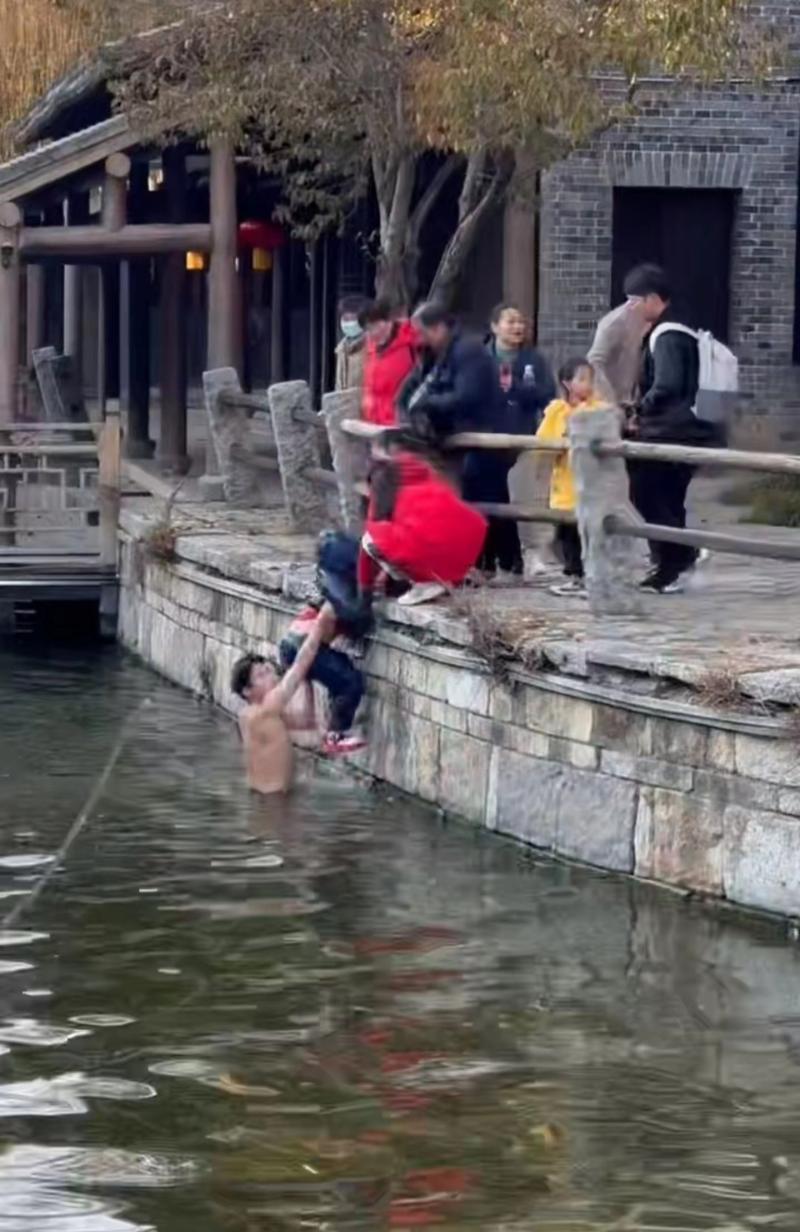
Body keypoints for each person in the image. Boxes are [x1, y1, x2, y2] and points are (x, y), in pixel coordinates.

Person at [623, 263, 719, 594]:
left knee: (651, 495)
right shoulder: (680, 327)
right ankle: (677, 561)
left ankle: (675, 562)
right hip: (683, 430)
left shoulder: (667, 334)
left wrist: (637, 409)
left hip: (670, 432)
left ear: (652, 299)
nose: (631, 307)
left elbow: (668, 384)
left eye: (634, 300)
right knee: (666, 499)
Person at [357, 430, 488, 607]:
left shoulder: (383, 478)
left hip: (428, 550)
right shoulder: (428, 472)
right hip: (466, 545)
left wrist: (364, 589)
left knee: (369, 538)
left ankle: (425, 582)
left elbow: (375, 532)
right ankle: (451, 576)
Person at [231, 605, 337, 796]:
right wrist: (319, 626)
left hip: (263, 797)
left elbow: (306, 723)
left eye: (269, 670)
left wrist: (308, 683)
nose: (271, 676)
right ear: (247, 690)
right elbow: (300, 664)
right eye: (262, 675)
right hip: (276, 804)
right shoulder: (268, 706)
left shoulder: (248, 716)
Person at [484, 303, 556, 579]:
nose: (517, 327)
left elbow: (547, 394)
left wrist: (518, 388)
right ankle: (494, 561)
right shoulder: (482, 357)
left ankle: (534, 553)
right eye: (510, 321)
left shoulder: (533, 360)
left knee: (527, 496)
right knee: (492, 499)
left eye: (521, 322)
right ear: (494, 326)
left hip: (523, 435)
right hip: (486, 440)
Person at [535, 358, 604, 596]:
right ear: (567, 383)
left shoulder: (597, 409)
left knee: (589, 534)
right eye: (582, 379)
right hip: (564, 482)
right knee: (566, 534)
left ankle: (591, 577)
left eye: (590, 379)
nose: (588, 385)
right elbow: (543, 441)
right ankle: (574, 576)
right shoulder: (556, 411)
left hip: (591, 483)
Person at [360, 300, 418, 426]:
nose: (372, 333)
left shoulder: (412, 341)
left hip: (402, 422)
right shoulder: (371, 347)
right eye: (367, 329)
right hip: (374, 423)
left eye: (374, 326)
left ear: (388, 321)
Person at [587, 295, 649, 410]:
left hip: (635, 402)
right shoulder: (614, 323)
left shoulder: (651, 318)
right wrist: (609, 401)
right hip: (614, 404)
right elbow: (594, 362)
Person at [335, 295, 369, 393]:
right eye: (345, 319)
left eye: (353, 319)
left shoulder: (373, 347)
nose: (349, 323)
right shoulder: (341, 349)